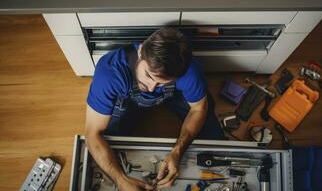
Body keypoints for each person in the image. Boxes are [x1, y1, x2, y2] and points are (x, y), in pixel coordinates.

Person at [85, 27, 225, 190]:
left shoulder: (189, 71)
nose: (151, 88)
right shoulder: (110, 73)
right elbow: (92, 134)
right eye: (149, 75)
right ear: (141, 51)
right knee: (108, 144)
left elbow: (198, 109)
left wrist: (177, 151)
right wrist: (120, 179)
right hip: (127, 99)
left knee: (214, 141)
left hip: (173, 95)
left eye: (162, 82)